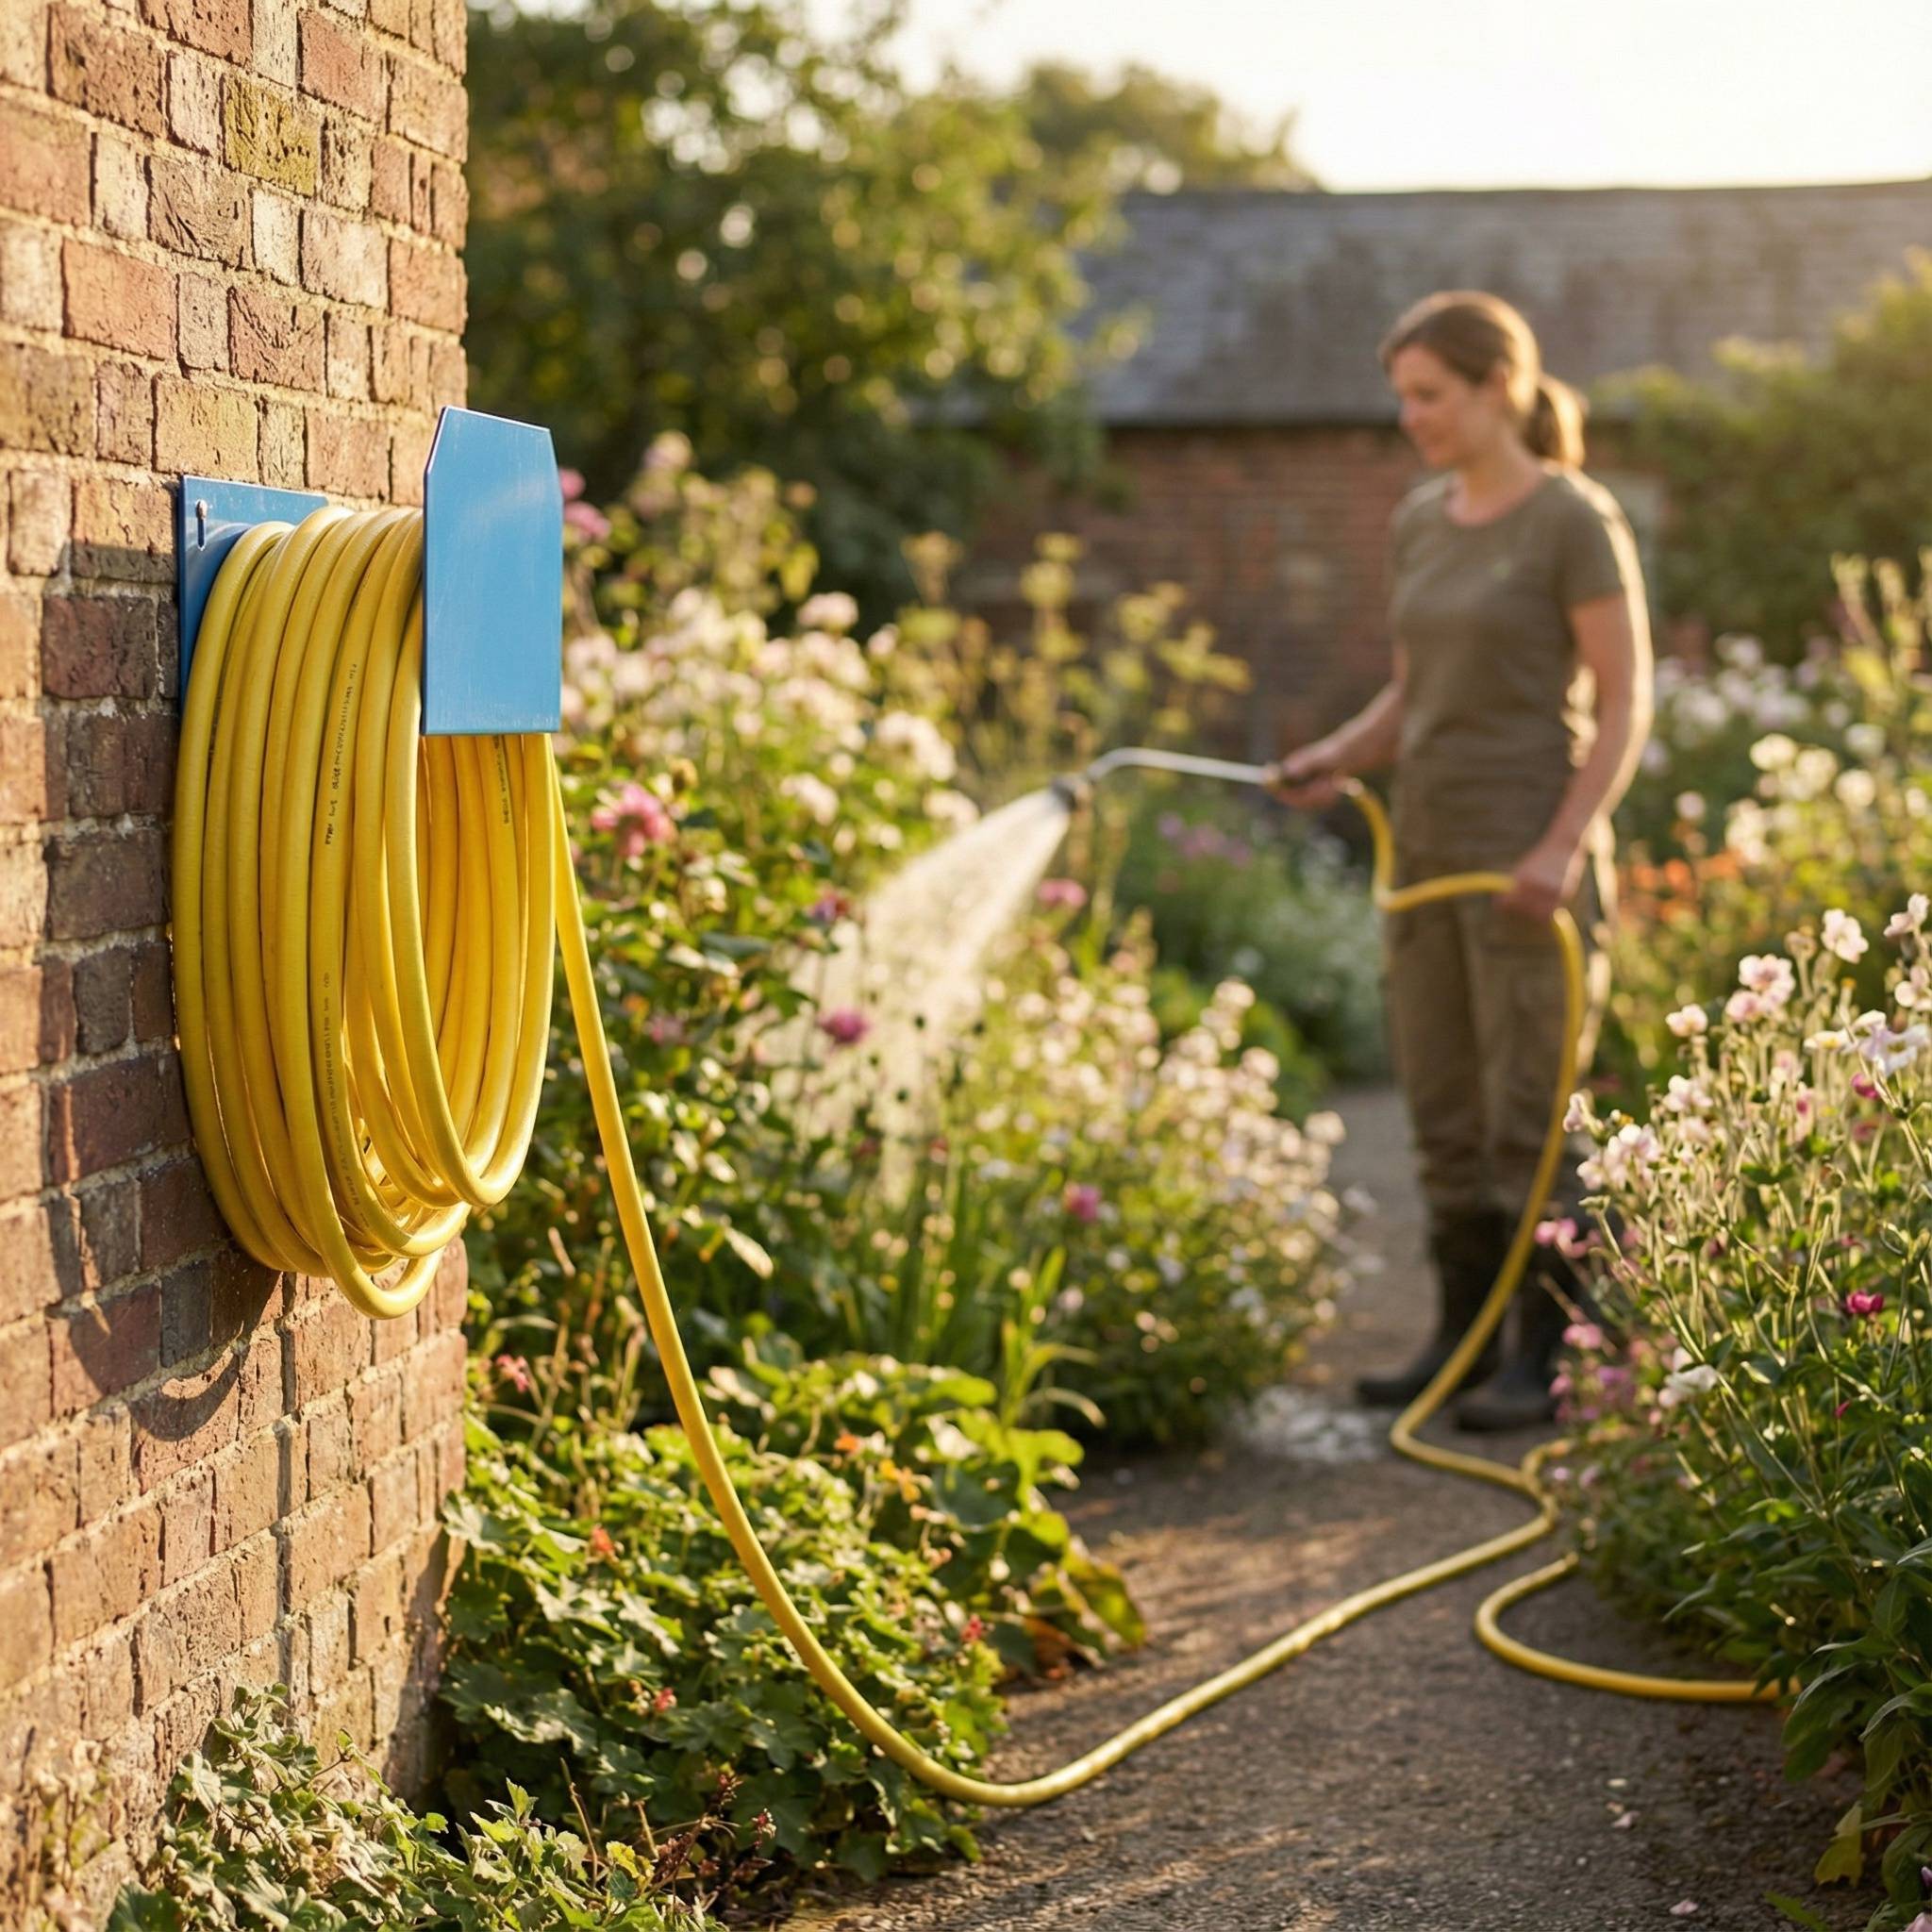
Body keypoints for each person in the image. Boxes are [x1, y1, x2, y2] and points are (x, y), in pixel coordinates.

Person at [1265, 291, 1653, 1432]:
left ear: (1499, 389)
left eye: (1427, 394)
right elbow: (1411, 687)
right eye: (1401, 395)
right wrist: (1336, 755)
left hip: (1528, 851)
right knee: (1438, 1101)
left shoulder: (1571, 520)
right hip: (1426, 851)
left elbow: (1624, 700)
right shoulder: (1420, 521)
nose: (1408, 417)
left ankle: (1546, 1348)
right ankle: (1462, 1332)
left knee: (1525, 1112)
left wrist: (1561, 846)